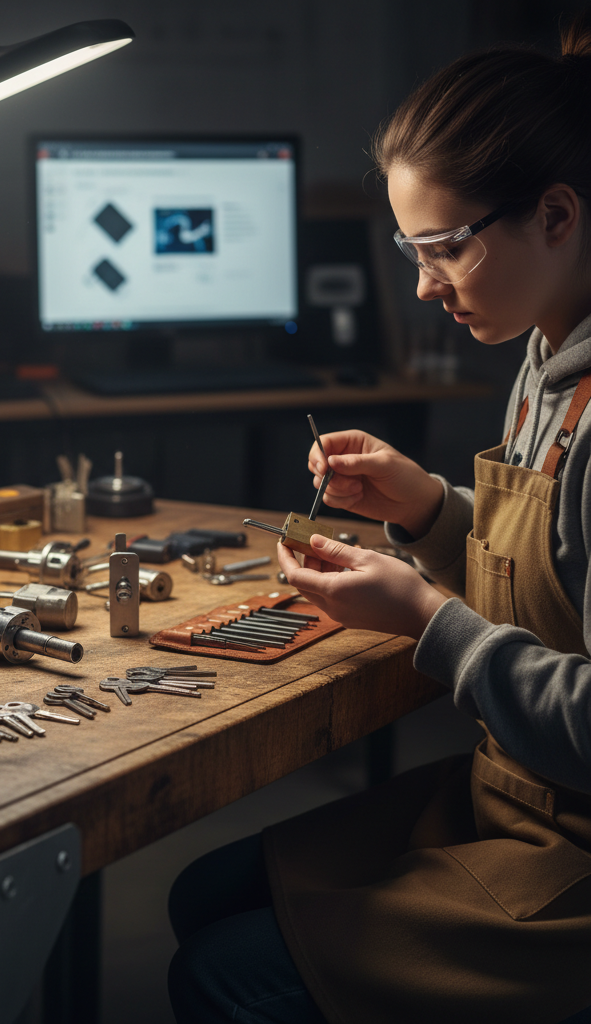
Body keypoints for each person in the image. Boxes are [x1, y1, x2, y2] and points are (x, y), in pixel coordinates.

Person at [168, 16, 591, 1024]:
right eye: (410, 248)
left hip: (574, 845)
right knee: (196, 895)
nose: (420, 284)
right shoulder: (543, 359)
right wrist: (430, 509)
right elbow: (556, 589)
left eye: (444, 248)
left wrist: (427, 621)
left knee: (218, 975)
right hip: (520, 795)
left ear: (557, 215)